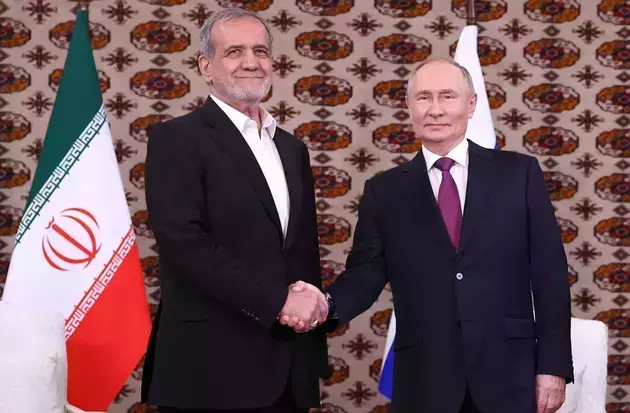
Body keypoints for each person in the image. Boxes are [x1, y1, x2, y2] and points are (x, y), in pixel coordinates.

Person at [285, 58, 574, 413]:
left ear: (471, 104)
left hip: (509, 374)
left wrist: (553, 367)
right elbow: (365, 274)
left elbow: (550, 276)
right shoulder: (384, 191)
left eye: (447, 96)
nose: (435, 109)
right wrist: (325, 304)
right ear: (409, 107)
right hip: (424, 380)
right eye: (423, 97)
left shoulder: (519, 174)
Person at [140, 8, 329, 413]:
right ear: (206, 67)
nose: (251, 62)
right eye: (234, 51)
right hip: (209, 371)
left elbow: (301, 254)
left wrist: (312, 319)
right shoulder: (176, 139)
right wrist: (279, 302)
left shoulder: (291, 149)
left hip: (288, 368)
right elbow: (185, 245)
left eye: (260, 51)